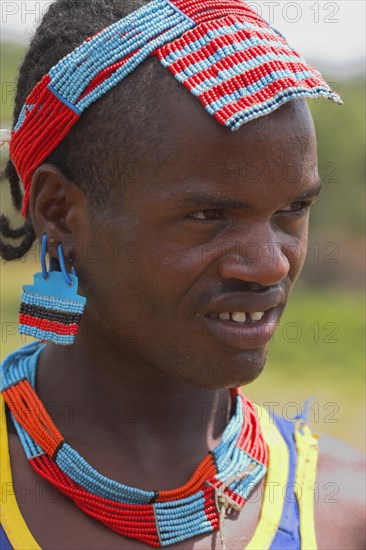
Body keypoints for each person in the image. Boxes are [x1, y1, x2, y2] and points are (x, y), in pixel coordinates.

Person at [0, 0, 364, 548]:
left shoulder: (344, 514)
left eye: (293, 209)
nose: (271, 264)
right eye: (208, 215)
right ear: (57, 211)